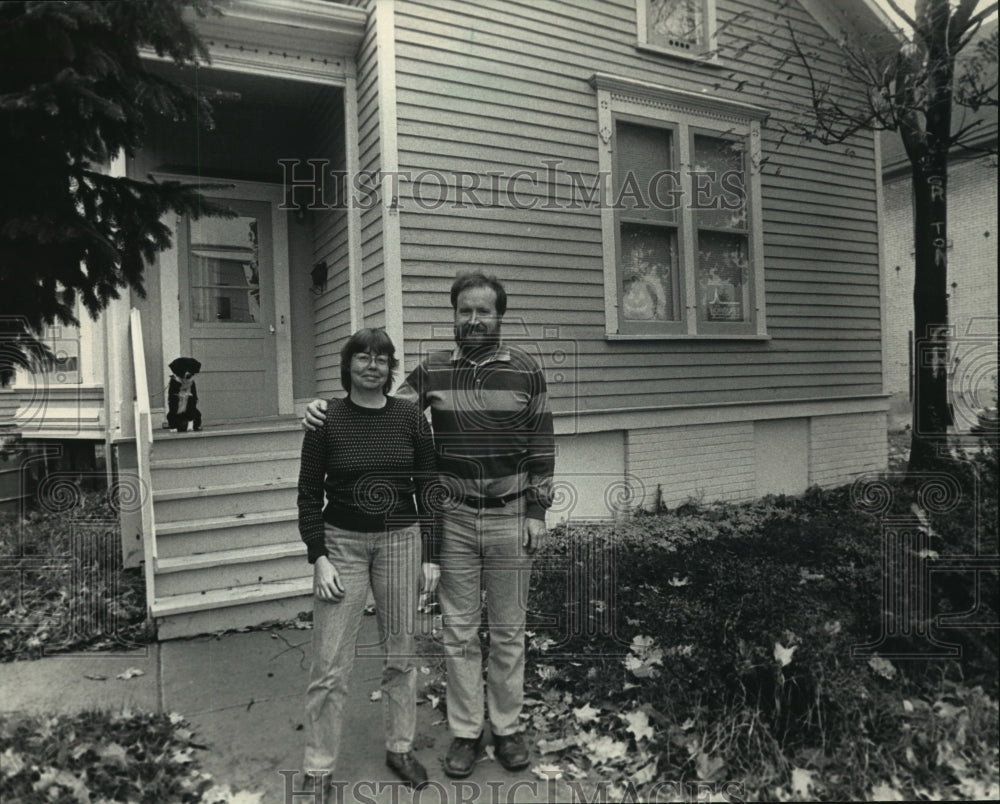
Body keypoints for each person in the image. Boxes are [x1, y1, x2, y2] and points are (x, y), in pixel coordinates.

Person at [304, 272, 555, 778]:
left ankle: (506, 728)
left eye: (484, 311)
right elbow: (381, 412)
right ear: (454, 315)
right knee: (458, 632)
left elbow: (542, 445)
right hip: (454, 519)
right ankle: (466, 732)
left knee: (508, 630)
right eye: (465, 311)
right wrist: (322, 410)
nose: (474, 320)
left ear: (500, 315)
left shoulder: (526, 370)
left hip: (510, 516)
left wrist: (536, 511)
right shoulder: (432, 371)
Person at [297, 327, 439, 791]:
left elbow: (429, 488)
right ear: (348, 366)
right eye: (362, 357)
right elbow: (307, 494)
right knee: (330, 661)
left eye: (382, 358)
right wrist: (319, 556)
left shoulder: (411, 418)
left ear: (390, 367)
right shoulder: (326, 420)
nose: (372, 365)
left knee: (401, 654)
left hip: (401, 542)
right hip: (342, 546)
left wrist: (431, 555)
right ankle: (319, 766)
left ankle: (400, 748)